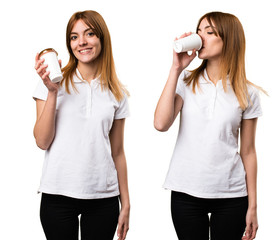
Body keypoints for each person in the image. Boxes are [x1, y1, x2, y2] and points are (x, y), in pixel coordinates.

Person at [154, 11, 262, 240]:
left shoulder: (247, 92)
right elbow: (161, 124)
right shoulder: (185, 81)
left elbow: (249, 151)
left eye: (209, 32)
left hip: (232, 195)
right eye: (199, 31)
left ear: (229, 39)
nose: (200, 37)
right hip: (186, 191)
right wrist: (176, 69)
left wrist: (252, 205)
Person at [33, 10, 130, 240]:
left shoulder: (117, 92)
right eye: (74, 37)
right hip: (57, 194)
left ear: (101, 38)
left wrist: (125, 203)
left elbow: (118, 152)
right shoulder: (48, 83)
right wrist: (53, 92)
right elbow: (42, 141)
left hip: (103, 198)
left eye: (89, 34)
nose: (82, 42)